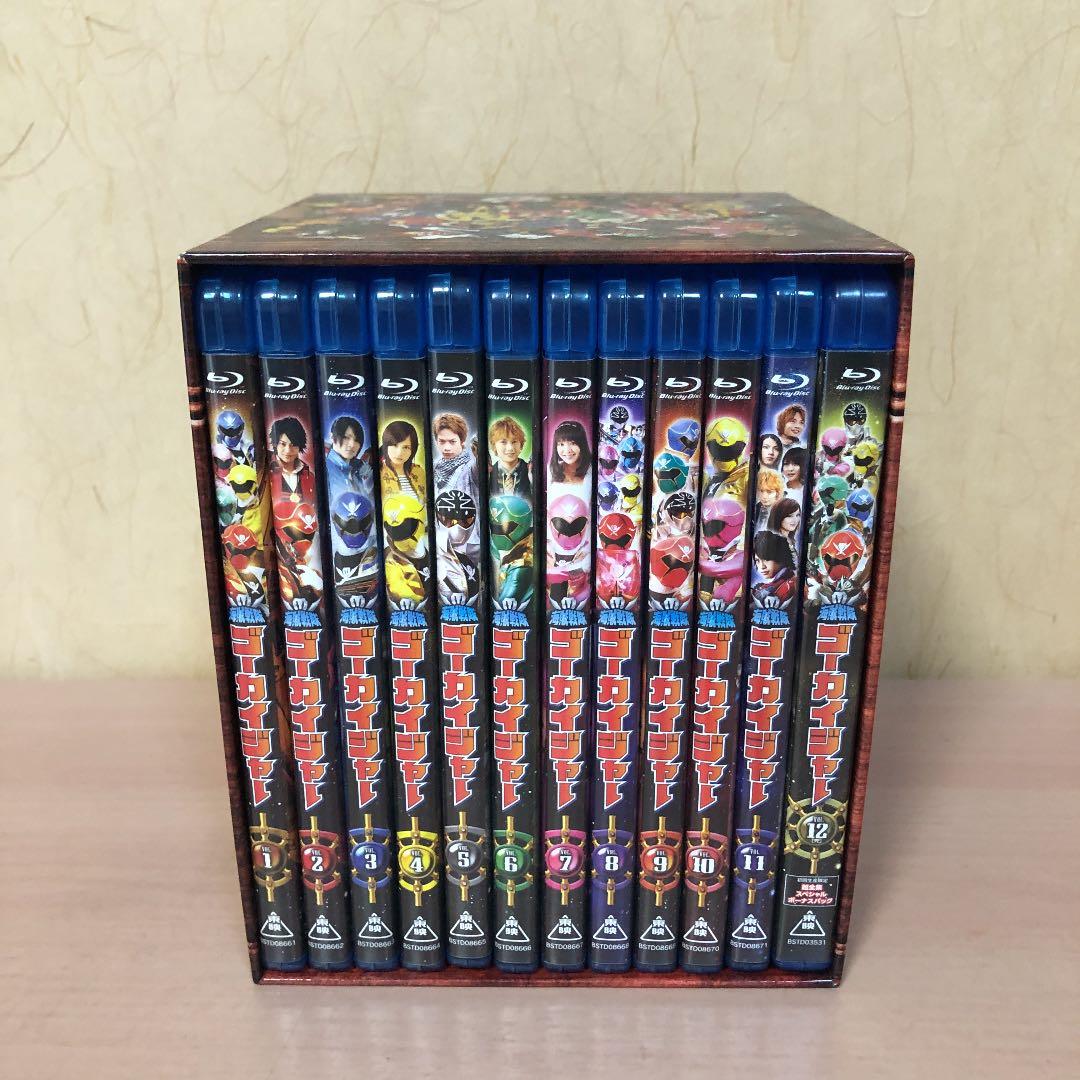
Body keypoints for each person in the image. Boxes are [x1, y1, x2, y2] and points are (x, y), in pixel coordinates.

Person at [268, 416, 316, 505]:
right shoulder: (267, 471)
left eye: (293, 445)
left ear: (300, 446)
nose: (288, 450)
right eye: (283, 444)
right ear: (275, 444)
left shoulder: (309, 477)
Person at [433, 412, 479, 503]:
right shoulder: (434, 466)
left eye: (452, 442)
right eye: (442, 441)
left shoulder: (471, 466)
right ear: (436, 441)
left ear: (462, 441)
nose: (447, 448)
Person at [325, 414, 370, 499]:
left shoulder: (358, 470)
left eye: (356, 440)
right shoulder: (326, 468)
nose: (352, 444)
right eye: (346, 437)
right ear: (332, 437)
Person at [379, 419, 425, 499]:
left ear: (413, 450)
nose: (399, 453)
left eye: (406, 447)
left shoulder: (419, 471)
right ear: (386, 445)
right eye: (394, 445)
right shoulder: (379, 471)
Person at [750, 529, 796, 608]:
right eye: (757, 561)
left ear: (781, 557)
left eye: (767, 559)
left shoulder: (790, 584)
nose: (762, 566)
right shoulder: (769, 585)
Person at [489, 415, 531, 498]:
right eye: (503, 442)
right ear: (494, 445)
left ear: (521, 445)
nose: (510, 448)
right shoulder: (489, 473)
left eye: (514, 442)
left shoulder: (531, 471)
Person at [548, 420, 592, 484]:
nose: (567, 450)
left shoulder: (593, 468)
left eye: (573, 443)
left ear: (582, 445)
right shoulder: (551, 470)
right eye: (561, 444)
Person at [768, 497, 801, 563]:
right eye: (790, 516)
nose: (795, 520)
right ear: (779, 516)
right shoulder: (774, 542)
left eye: (797, 515)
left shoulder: (789, 539)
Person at [753, 468, 784, 532]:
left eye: (769, 492)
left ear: (777, 492)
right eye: (761, 491)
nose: (764, 496)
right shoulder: (755, 508)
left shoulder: (784, 511)